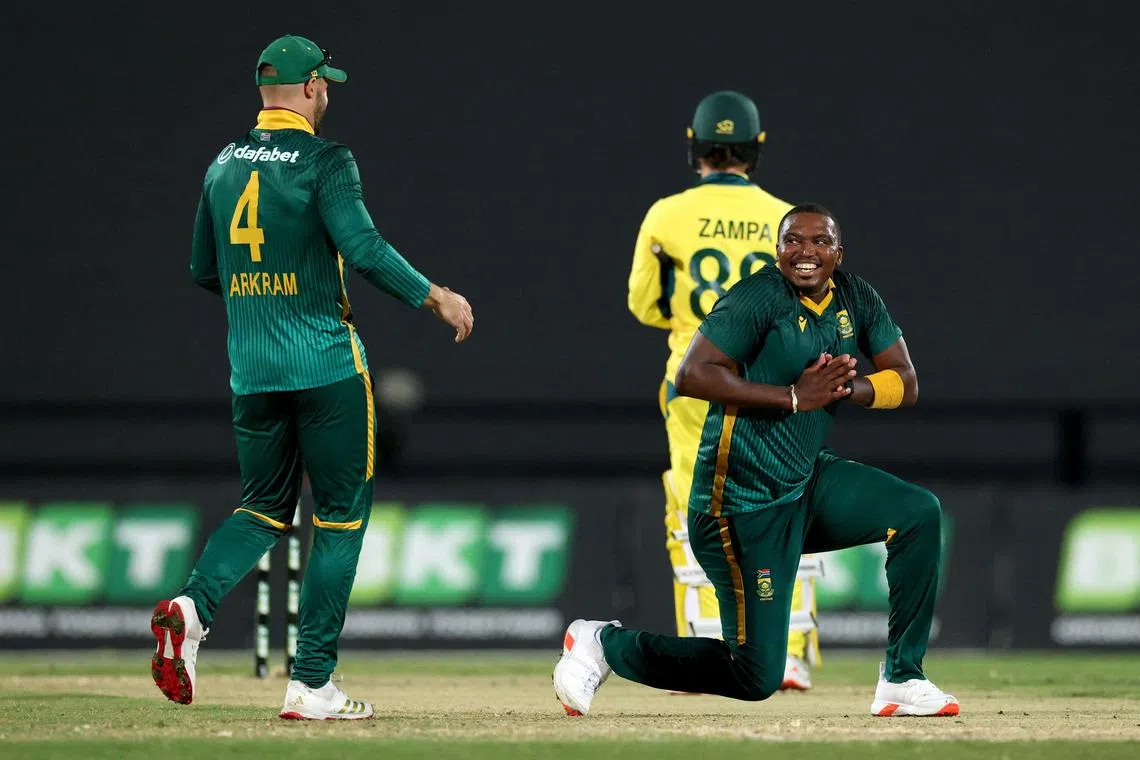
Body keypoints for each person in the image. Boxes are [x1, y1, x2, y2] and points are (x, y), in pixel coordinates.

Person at [150, 34, 474, 720]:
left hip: (253, 371)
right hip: (326, 366)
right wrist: (436, 295)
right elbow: (362, 248)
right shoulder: (327, 160)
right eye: (325, 84)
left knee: (262, 507)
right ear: (306, 89)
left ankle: (192, 608)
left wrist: (261, 299)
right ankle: (312, 683)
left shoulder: (222, 164)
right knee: (340, 519)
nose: (328, 94)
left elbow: (204, 271)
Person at [556, 205, 958, 718]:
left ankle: (902, 677)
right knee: (755, 675)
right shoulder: (757, 296)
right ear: (778, 248)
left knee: (918, 512)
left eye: (820, 242)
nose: (806, 252)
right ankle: (603, 643)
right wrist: (793, 396)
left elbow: (906, 383)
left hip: (805, 482)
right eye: (793, 240)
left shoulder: (856, 296)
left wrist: (847, 388)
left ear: (839, 251)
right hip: (739, 503)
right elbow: (691, 375)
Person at [626, 90, 821, 690]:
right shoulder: (788, 218)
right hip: (776, 381)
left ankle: (710, 647)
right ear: (756, 149)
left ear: (696, 145)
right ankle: (787, 650)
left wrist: (701, 325)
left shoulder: (666, 215)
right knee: (785, 504)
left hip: (696, 380)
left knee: (696, 508)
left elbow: (644, 304)